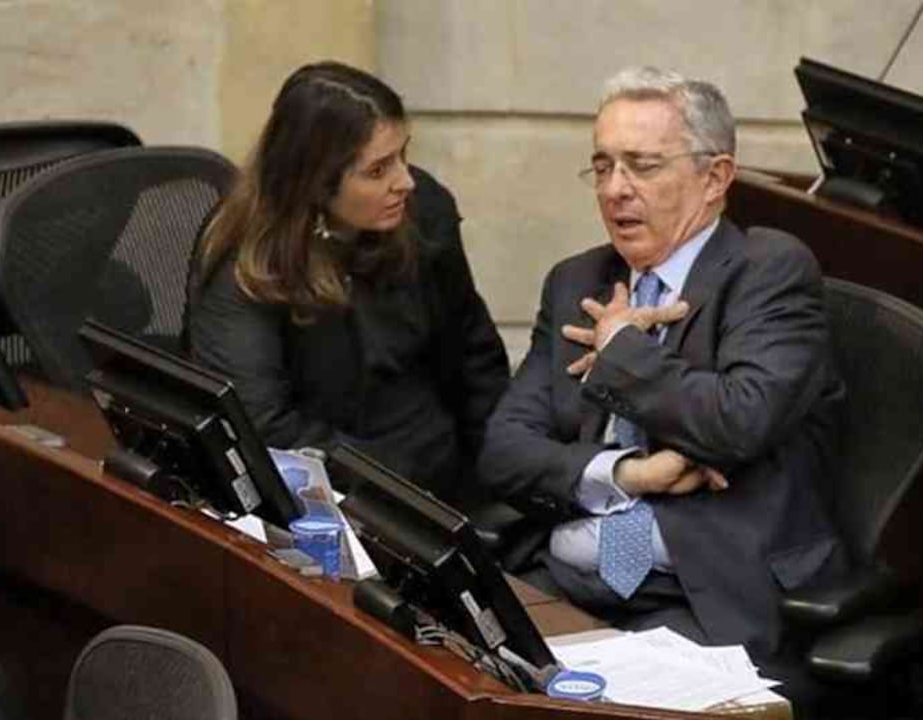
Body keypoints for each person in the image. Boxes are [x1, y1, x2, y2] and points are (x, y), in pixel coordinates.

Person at [478, 66, 847, 662]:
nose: (614, 189)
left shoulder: (767, 271)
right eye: (602, 167)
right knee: (463, 665)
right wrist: (627, 475)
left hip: (706, 587)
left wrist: (622, 351)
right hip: (570, 568)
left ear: (714, 177)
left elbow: (739, 419)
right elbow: (504, 449)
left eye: (642, 166)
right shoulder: (578, 279)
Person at [188, 61, 508, 507]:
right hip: (344, 495)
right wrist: (400, 490)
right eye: (377, 171)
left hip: (448, 469)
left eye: (403, 155)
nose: (406, 181)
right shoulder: (247, 267)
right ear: (314, 184)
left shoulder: (423, 212)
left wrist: (506, 474)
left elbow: (474, 352)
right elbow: (265, 429)